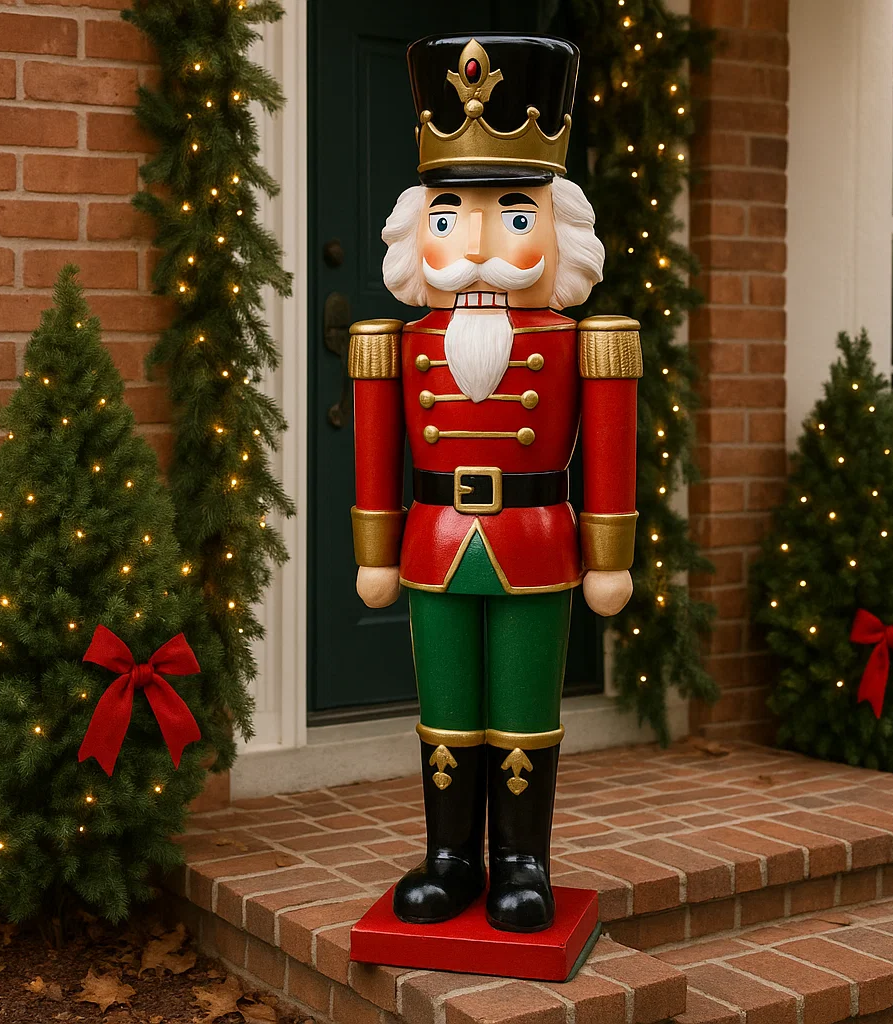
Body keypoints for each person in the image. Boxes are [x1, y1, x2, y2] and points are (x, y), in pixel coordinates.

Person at [349, 33, 640, 933]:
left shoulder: (581, 338)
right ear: (416, 233)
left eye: (514, 217)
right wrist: (373, 549)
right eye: (448, 219)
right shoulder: (394, 342)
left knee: (521, 708)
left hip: (534, 538)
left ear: (561, 231)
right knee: (446, 710)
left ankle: (522, 861)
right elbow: (376, 449)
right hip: (435, 538)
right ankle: (450, 857)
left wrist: (610, 557)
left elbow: (611, 451)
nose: (475, 246)